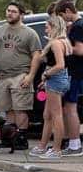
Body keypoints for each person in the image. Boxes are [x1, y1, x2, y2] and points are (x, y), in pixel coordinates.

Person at [0, 2, 42, 150]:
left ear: (21, 14)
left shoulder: (29, 33)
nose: (9, 13)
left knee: (20, 109)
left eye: (13, 11)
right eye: (8, 10)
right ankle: (11, 137)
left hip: (20, 75)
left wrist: (30, 76)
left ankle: (22, 139)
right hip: (2, 76)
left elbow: (37, 55)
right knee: (8, 109)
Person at [22, 15, 71, 160]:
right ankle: (42, 146)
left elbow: (60, 65)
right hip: (58, 79)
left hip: (56, 79)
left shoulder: (56, 43)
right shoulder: (65, 41)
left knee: (56, 115)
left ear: (54, 27)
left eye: (47, 27)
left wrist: (46, 74)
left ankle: (56, 149)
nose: (45, 30)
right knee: (47, 115)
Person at [53, 0, 83, 156]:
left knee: (70, 108)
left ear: (67, 11)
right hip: (76, 72)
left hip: (76, 73)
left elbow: (80, 50)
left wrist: (63, 46)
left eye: (61, 15)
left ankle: (75, 145)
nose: (62, 19)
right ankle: (73, 143)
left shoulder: (78, 26)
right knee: (69, 108)